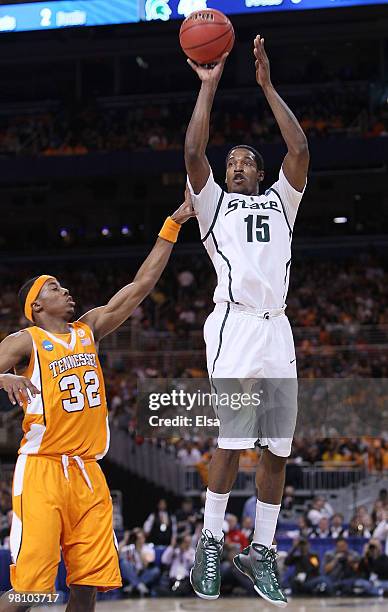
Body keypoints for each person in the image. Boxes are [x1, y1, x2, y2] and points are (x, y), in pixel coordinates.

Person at [0, 194, 194, 612]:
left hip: (88, 472)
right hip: (43, 467)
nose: (64, 290)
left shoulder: (88, 328)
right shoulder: (25, 340)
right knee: (32, 590)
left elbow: (140, 287)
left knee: (88, 585)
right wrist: (3, 375)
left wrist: (172, 226)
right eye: (53, 287)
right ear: (35, 306)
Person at [185, 34, 309, 606]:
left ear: (259, 176)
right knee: (233, 442)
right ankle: (210, 542)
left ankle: (261, 551)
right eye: (230, 162)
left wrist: (265, 86)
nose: (235, 166)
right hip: (234, 326)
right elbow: (193, 154)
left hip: (276, 328)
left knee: (279, 450)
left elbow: (300, 150)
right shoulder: (214, 208)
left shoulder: (282, 202)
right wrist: (208, 88)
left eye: (245, 162)